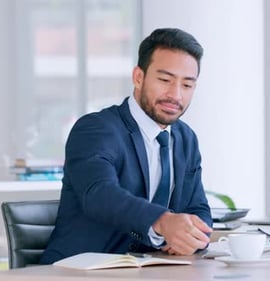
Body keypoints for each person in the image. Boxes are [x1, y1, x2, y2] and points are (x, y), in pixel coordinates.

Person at [40, 28, 213, 264]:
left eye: (187, 85)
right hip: (82, 270)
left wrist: (193, 238)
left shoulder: (185, 138)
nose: (175, 95)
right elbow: (99, 194)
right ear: (138, 77)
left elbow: (197, 207)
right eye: (165, 80)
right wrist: (163, 221)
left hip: (150, 269)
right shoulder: (96, 129)